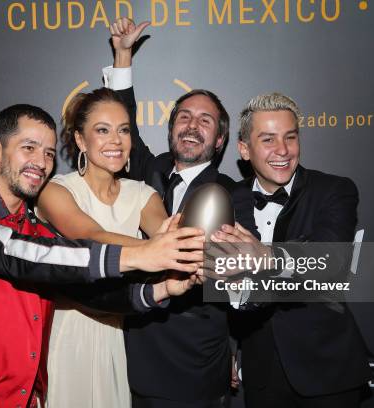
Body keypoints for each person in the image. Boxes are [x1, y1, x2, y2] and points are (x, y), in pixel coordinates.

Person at [0, 104, 205, 408]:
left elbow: (88, 294)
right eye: (29, 148)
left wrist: (163, 288)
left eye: (49, 154)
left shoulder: (37, 231)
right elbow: (13, 252)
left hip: (22, 397)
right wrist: (142, 252)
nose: (40, 162)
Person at [103, 18, 245, 408]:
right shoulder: (147, 170)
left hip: (195, 366)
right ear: (170, 130)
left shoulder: (235, 195)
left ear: (219, 140)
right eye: (184, 116)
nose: (192, 125)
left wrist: (234, 348)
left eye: (205, 120)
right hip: (132, 353)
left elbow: (240, 285)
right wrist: (122, 55)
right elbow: (123, 121)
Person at [37, 88, 197, 407]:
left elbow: (169, 236)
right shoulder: (55, 191)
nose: (116, 140)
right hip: (65, 335)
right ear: (81, 140)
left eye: (124, 130)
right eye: (102, 130)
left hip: (115, 335)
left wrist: (197, 245)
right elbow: (92, 236)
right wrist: (157, 248)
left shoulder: (141, 194)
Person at [213, 93, 372, 408]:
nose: (282, 150)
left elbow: (331, 260)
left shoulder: (334, 190)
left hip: (327, 369)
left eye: (290, 137)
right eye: (268, 139)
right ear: (244, 149)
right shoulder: (229, 199)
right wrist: (228, 348)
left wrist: (266, 255)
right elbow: (222, 285)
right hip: (261, 372)